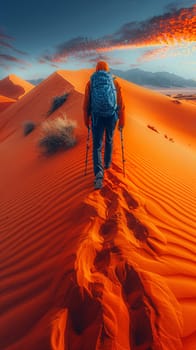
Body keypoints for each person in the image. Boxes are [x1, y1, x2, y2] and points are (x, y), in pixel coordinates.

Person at [83, 61, 125, 189]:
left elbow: (86, 104)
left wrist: (87, 121)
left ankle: (99, 174)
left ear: (96, 69)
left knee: (97, 145)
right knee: (109, 140)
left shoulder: (91, 82)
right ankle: (107, 164)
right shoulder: (115, 82)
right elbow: (121, 104)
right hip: (111, 116)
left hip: (97, 116)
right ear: (107, 69)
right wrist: (122, 122)